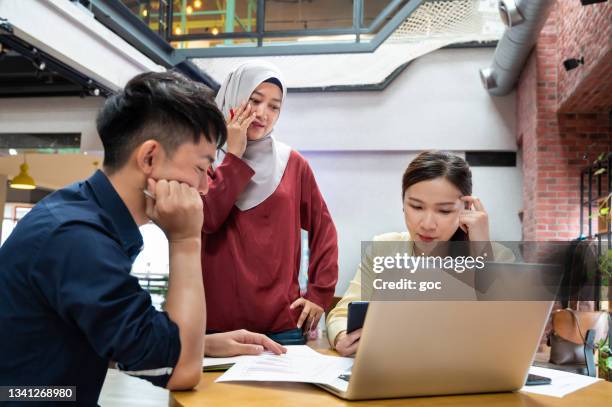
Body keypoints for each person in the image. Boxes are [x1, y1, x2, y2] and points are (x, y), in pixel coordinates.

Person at [0, 71, 284, 406]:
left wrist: (202, 343)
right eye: (202, 169)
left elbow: (112, 338)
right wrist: (186, 240)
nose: (207, 187)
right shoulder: (78, 239)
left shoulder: (83, 215)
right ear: (149, 158)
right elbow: (181, 372)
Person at [326, 151, 515, 356]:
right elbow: (340, 315)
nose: (427, 224)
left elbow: (509, 332)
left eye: (444, 211)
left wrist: (481, 252)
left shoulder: (496, 256)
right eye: (416, 206)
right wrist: (342, 336)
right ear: (403, 203)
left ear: (467, 209)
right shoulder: (383, 249)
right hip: (392, 372)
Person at [202, 61, 339, 344]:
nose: (263, 114)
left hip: (283, 325)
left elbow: (324, 229)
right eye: (254, 100)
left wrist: (319, 294)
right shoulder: (202, 160)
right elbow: (207, 219)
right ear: (233, 97)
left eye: (274, 106)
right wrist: (234, 157)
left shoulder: (292, 163)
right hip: (216, 329)